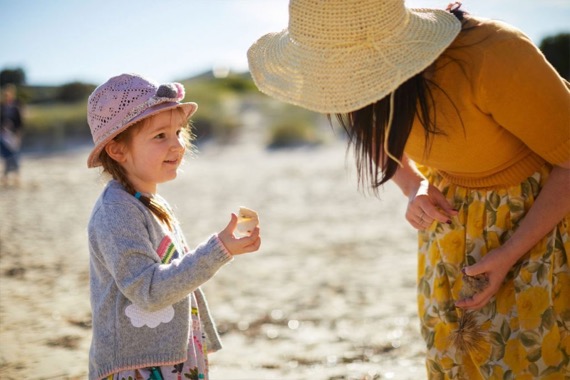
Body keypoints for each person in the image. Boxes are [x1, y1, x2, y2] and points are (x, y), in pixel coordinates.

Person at [248, 1, 569, 378]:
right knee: (455, 360)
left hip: (541, 219)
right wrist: (414, 185)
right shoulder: (349, 77)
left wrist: (512, 252)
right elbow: (372, 131)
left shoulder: (493, 53)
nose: (334, 85)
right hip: (451, 223)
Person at [86, 73, 261, 380]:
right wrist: (217, 251)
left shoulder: (148, 200)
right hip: (137, 364)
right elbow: (149, 290)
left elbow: (175, 271)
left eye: (178, 132)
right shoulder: (116, 211)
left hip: (171, 355)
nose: (177, 145)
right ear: (117, 150)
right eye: (160, 136)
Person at [0, 83, 24, 186]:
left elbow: (20, 122)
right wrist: (3, 127)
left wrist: (18, 135)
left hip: (13, 135)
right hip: (3, 135)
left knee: (15, 156)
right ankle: (5, 178)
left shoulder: (16, 107)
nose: (7, 96)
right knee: (6, 157)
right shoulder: (2, 107)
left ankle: (16, 177)